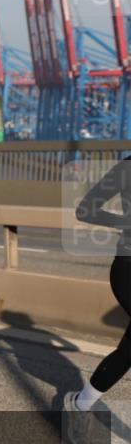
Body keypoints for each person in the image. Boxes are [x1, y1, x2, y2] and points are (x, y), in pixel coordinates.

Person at [67, 157, 131, 427]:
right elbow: (85, 210)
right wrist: (125, 222)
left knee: (128, 351)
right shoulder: (127, 168)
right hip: (128, 269)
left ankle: (79, 404)